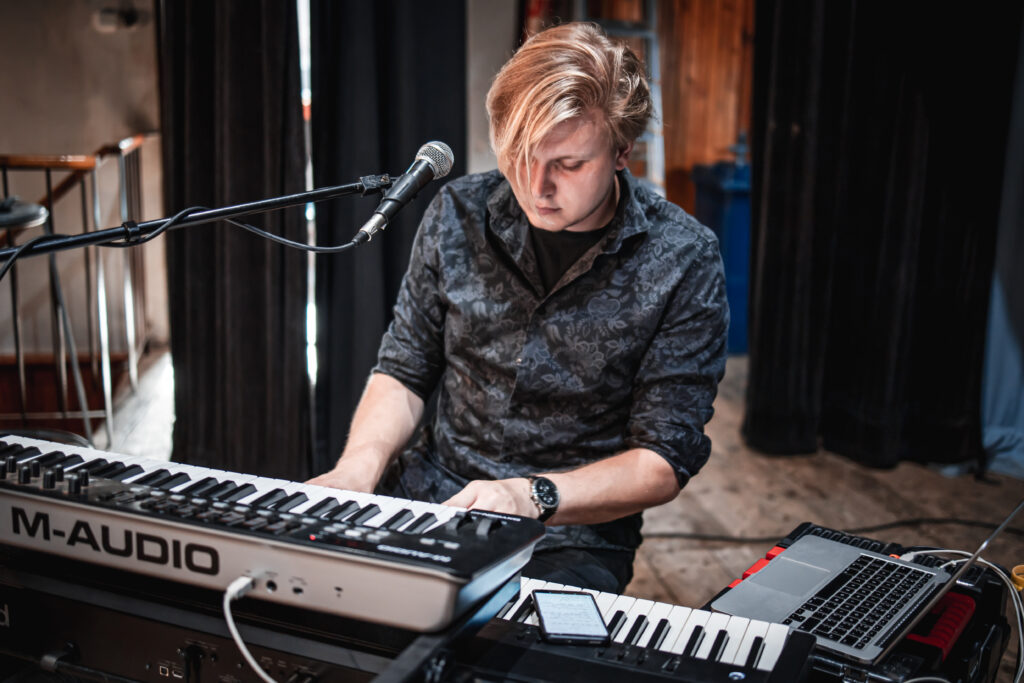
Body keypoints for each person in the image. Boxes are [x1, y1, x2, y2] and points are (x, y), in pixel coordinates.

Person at [309, 22, 728, 594]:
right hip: (430, 492)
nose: (536, 186)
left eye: (569, 164)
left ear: (622, 153)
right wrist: (358, 468)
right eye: (520, 155)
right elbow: (404, 369)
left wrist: (532, 495)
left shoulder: (683, 258)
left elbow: (661, 460)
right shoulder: (457, 211)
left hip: (570, 531)